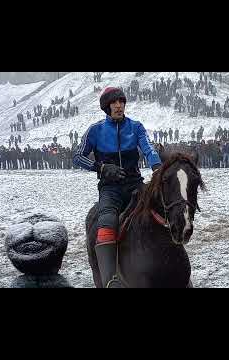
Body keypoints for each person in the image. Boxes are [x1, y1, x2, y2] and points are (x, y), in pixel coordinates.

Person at [73, 87, 162, 288]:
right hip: (110, 189)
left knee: (161, 214)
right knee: (106, 221)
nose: (119, 106)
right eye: (114, 103)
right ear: (106, 107)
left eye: (121, 102)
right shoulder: (95, 130)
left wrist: (156, 166)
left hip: (135, 185)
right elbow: (77, 157)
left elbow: (148, 148)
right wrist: (101, 167)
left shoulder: (136, 127)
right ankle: (110, 279)